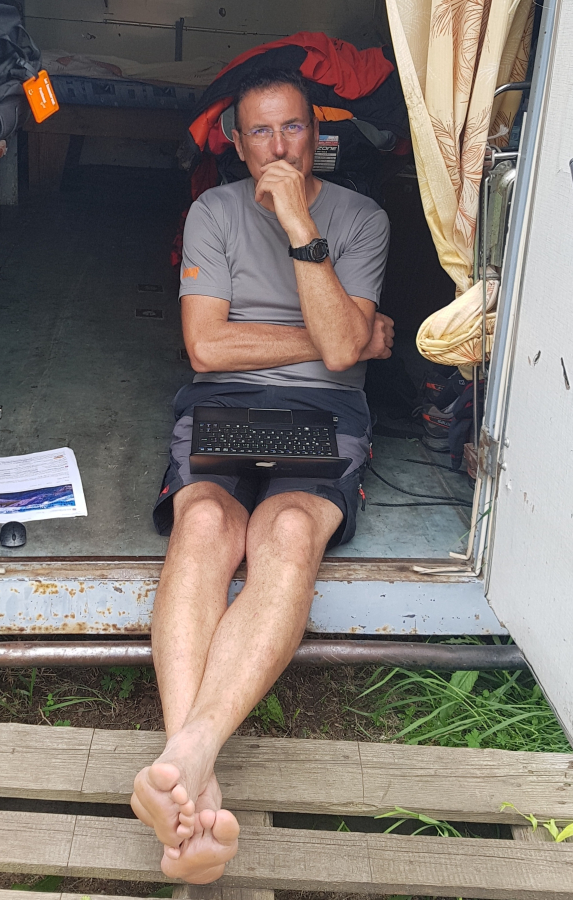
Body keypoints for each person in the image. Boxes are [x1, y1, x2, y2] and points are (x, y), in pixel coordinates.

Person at [131, 68, 394, 884]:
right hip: (224, 402)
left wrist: (297, 224)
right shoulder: (211, 212)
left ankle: (185, 764)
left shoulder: (360, 217)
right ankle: (195, 775)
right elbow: (207, 347)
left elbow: (341, 358)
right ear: (237, 144)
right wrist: (341, 337)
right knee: (205, 522)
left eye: (293, 127)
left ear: (317, 132)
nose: (278, 146)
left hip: (324, 411)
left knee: (286, 529)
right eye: (260, 132)